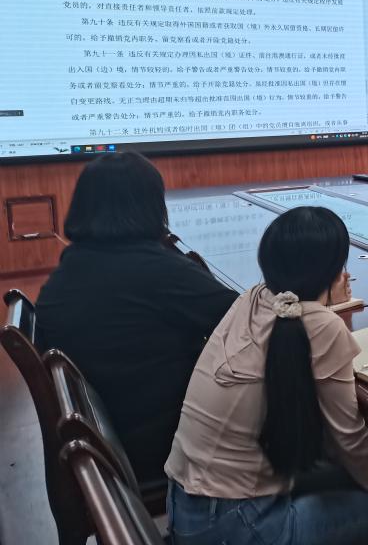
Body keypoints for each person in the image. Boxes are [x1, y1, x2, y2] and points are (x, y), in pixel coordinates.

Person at [166, 206, 368, 545]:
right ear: (333, 272)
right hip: (237, 524)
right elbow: (347, 435)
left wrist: (325, 298)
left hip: (188, 509)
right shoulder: (320, 326)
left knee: (343, 476)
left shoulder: (252, 298)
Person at [36, 152, 236, 483]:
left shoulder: (71, 267)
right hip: (164, 447)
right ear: (151, 206)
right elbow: (249, 320)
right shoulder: (156, 271)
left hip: (110, 442)